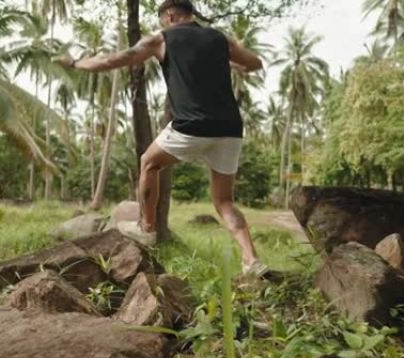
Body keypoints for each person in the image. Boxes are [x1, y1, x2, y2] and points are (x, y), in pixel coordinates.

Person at [59, 0, 266, 275]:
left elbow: (113, 60)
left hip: (191, 126)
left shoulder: (162, 39)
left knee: (149, 163)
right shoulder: (220, 38)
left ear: (169, 16)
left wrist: (74, 63)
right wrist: (232, 65)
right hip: (229, 129)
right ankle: (251, 260)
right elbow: (255, 63)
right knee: (224, 202)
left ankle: (147, 228)